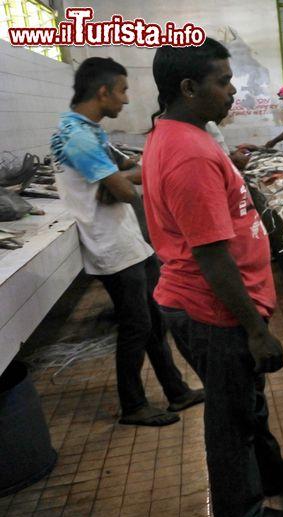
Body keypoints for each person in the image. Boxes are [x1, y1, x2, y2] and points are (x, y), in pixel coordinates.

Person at [144, 38, 283, 517]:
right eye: (222, 82)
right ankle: (238, 513)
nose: (232, 91)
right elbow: (210, 255)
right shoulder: (188, 153)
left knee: (248, 401)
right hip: (211, 310)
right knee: (230, 417)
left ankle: (271, 473)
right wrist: (254, 329)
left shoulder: (185, 136)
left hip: (211, 305)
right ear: (188, 87)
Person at [50, 57, 202, 428]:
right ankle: (133, 405)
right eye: (122, 91)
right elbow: (124, 190)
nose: (127, 100)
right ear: (102, 92)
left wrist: (126, 177)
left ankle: (177, 391)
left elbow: (129, 167)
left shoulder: (90, 130)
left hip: (129, 240)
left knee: (153, 320)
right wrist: (127, 180)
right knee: (136, 326)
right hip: (111, 246)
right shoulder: (79, 137)